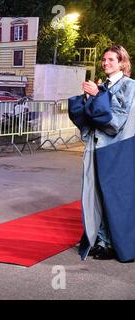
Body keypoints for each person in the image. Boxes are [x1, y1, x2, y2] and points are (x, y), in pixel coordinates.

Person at [69, 45, 135, 263]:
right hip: (97, 147)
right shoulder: (103, 85)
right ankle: (102, 240)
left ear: (122, 63)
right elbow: (93, 116)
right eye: (104, 59)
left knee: (114, 198)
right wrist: (86, 100)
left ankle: (116, 244)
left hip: (118, 150)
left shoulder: (129, 86)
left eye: (111, 60)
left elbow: (118, 118)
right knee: (96, 195)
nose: (105, 63)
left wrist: (98, 95)